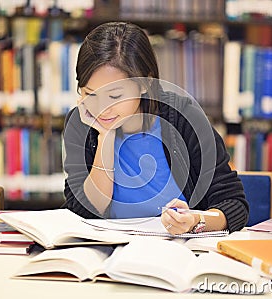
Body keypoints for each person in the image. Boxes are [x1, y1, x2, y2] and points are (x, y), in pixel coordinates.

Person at [62, 22, 249, 235]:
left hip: (179, 251)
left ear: (144, 83)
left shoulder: (184, 118)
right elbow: (84, 211)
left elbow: (234, 204)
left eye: (115, 96)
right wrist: (105, 136)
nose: (102, 109)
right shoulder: (81, 122)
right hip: (108, 252)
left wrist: (195, 220)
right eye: (90, 94)